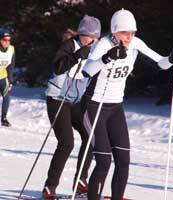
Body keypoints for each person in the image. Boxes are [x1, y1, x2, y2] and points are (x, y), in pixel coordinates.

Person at [81, 9, 173, 200]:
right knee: (104, 161)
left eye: (132, 32)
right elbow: (86, 71)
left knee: (123, 161)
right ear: (114, 32)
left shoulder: (135, 43)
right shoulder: (103, 44)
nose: (129, 37)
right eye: (124, 33)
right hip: (93, 106)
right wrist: (107, 57)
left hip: (115, 108)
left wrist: (172, 58)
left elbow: (161, 63)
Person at [42, 15, 101, 199]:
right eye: (89, 37)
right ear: (81, 35)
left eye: (95, 38)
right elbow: (58, 67)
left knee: (91, 137)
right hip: (58, 99)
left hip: (76, 101)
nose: (92, 41)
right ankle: (50, 188)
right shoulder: (69, 46)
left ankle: (81, 183)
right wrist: (76, 56)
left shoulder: (96, 50)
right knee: (67, 142)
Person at [0, 28, 15, 127]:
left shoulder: (12, 49)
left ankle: (4, 118)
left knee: (7, 96)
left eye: (9, 40)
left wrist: (10, 80)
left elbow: (11, 65)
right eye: (5, 40)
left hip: (2, 76)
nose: (7, 42)